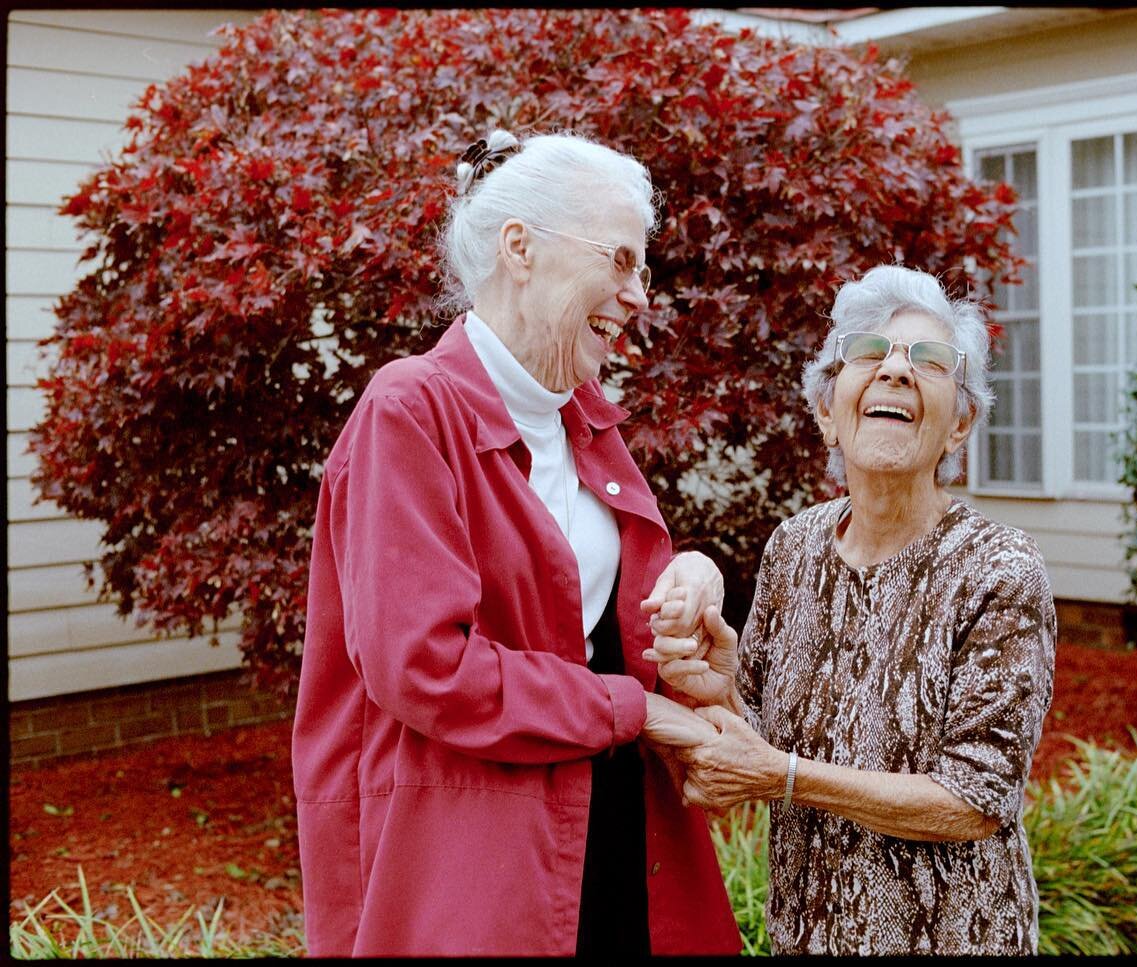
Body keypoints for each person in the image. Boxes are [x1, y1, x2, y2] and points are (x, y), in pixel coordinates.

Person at [291, 128, 738, 957]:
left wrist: (693, 574)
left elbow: (604, 622)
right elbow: (425, 664)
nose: (638, 294)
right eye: (620, 258)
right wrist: (630, 707)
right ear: (520, 248)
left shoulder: (584, 419)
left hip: (618, 839)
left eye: (643, 268)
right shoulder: (410, 410)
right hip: (473, 870)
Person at [645, 264, 1057, 955]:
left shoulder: (1000, 569)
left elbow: (975, 801)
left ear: (959, 425)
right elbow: (765, 743)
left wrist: (786, 776)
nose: (895, 370)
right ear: (826, 412)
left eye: (929, 360)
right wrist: (723, 689)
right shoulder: (793, 548)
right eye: (869, 353)